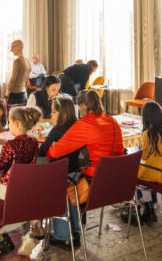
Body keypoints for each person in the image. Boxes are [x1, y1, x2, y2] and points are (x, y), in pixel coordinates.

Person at [46, 90, 124, 247]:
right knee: (74, 175)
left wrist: (49, 146)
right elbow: (120, 153)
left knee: (56, 181)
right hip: (115, 182)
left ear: (81, 106)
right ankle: (74, 229)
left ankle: (64, 235)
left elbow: (54, 152)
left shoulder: (85, 124)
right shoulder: (113, 121)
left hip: (93, 185)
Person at [0, 105, 42, 258]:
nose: (8, 125)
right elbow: (20, 149)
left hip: (8, 190)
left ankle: (2, 238)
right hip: (27, 189)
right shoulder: (34, 142)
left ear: (16, 124)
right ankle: (28, 235)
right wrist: (3, 143)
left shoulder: (10, 145)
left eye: (9, 122)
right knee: (20, 203)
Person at [137, 101, 162, 222]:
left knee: (134, 174)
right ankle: (150, 204)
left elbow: (143, 156)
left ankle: (148, 206)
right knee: (144, 170)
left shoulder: (148, 134)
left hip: (155, 174)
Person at [39, 96, 79, 173]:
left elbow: (42, 152)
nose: (51, 114)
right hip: (73, 171)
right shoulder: (79, 127)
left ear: (63, 114)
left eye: (54, 112)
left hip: (56, 171)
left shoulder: (57, 129)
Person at [5, 39, 31, 105]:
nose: (11, 50)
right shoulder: (28, 61)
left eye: (12, 47)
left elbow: (12, 80)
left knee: (12, 115)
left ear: (19, 47)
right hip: (24, 94)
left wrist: (6, 96)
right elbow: (27, 81)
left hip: (15, 96)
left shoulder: (17, 61)